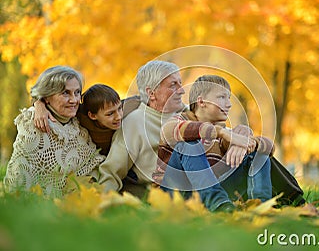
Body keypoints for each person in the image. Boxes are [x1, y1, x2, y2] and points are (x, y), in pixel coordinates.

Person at [154, 75, 276, 212]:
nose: (229, 104)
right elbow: (169, 130)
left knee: (259, 153)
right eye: (222, 97)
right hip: (176, 194)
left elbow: (270, 147)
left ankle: (260, 207)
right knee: (188, 145)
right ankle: (219, 204)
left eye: (229, 98)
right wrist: (222, 133)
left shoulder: (225, 135)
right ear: (201, 101)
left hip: (205, 192)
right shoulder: (179, 120)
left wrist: (247, 142)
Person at [3, 66, 105, 196]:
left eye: (77, 92)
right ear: (46, 97)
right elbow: (21, 177)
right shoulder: (32, 124)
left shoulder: (79, 125)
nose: (74, 100)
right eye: (65, 93)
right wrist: (38, 104)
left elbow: (92, 165)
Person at [98, 60, 186, 196]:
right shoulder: (134, 123)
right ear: (151, 93)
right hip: (166, 192)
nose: (182, 90)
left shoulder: (187, 113)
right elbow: (112, 171)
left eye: (180, 83)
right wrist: (103, 202)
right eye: (173, 85)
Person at [34, 84, 141, 156]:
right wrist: (40, 105)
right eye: (110, 114)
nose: (118, 116)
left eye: (119, 108)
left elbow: (148, 99)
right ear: (92, 115)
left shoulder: (129, 107)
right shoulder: (80, 114)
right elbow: (45, 97)